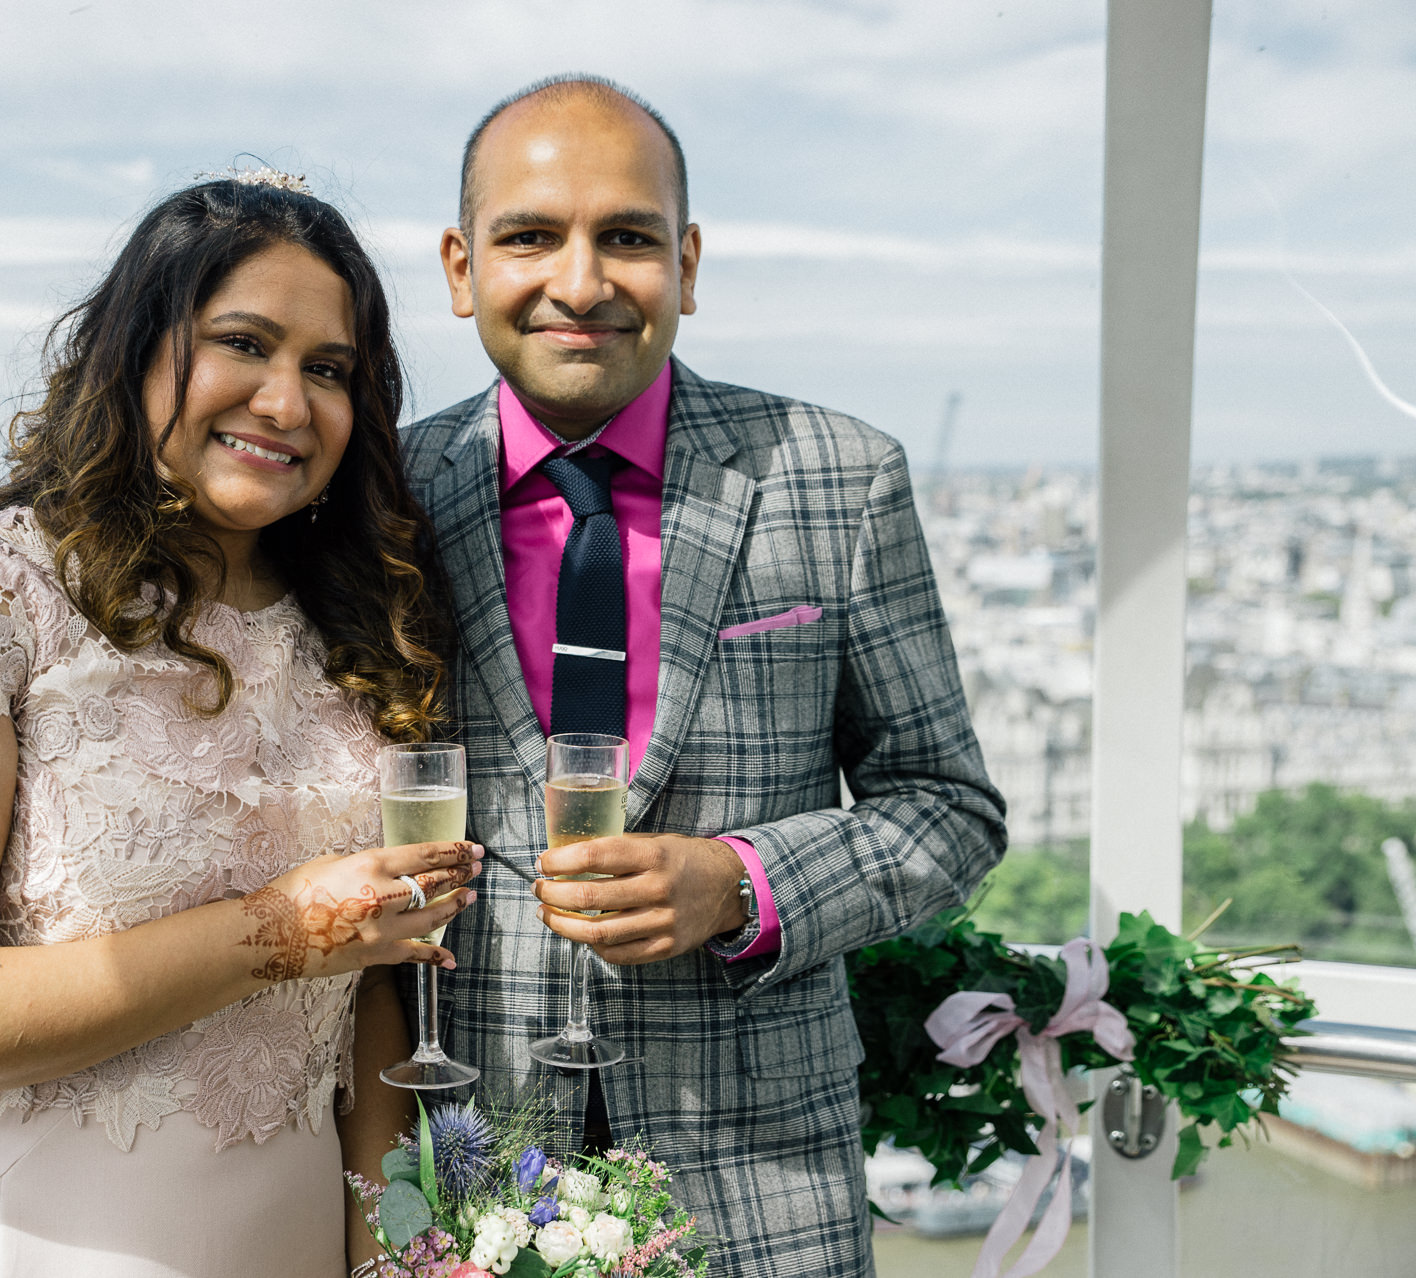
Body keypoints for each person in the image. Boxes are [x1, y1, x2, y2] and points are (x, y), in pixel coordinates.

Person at [0, 173, 478, 1278]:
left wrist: (393, 1252)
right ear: (133, 351)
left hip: (287, 1235)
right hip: (13, 1237)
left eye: (328, 369)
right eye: (243, 344)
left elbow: (369, 994)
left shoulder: (357, 631)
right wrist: (278, 933)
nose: (285, 401)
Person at [401, 76, 1008, 1276]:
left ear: (686, 263)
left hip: (758, 1185)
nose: (582, 284)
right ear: (462, 268)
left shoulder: (838, 477)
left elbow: (951, 812)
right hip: (461, 1171)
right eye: (532, 236)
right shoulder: (386, 497)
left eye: (626, 237)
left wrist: (744, 882)